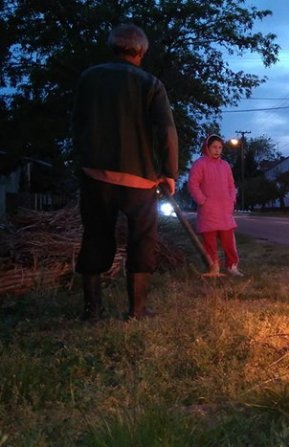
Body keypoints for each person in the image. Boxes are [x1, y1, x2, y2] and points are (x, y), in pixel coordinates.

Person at [72, 23, 178, 321]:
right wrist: (169, 172)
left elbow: (77, 123)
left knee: (95, 236)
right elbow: (167, 130)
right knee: (142, 239)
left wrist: (82, 159)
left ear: (113, 48)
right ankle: (137, 309)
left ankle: (92, 311)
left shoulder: (89, 78)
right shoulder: (151, 83)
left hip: (96, 175)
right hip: (140, 178)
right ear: (141, 52)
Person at [187, 134, 243, 277]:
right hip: (208, 211)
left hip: (225, 211)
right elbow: (193, 184)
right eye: (214, 147)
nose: (217, 150)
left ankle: (232, 266)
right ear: (207, 147)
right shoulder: (200, 164)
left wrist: (231, 200)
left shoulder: (225, 165)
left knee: (229, 242)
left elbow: (231, 185)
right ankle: (214, 268)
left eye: (220, 147)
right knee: (210, 243)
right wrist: (202, 201)